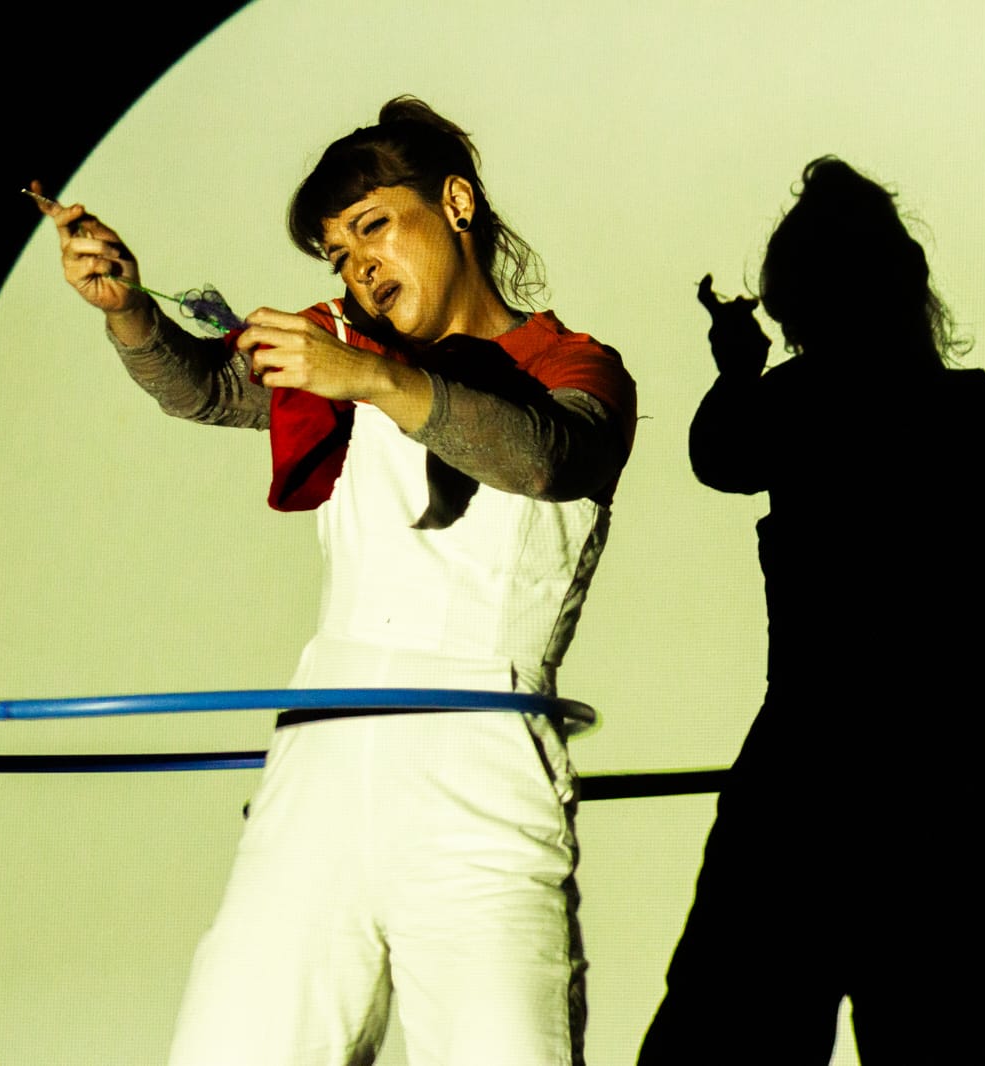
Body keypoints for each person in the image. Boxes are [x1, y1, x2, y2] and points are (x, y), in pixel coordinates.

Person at [32, 96, 636, 1066]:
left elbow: (544, 460)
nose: (359, 267)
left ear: (456, 203)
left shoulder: (571, 365)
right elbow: (205, 387)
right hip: (319, 764)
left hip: (479, 781)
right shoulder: (347, 352)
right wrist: (130, 310)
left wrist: (366, 378)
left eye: (374, 226)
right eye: (337, 254)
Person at [637, 157, 985, 1064]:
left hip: (795, 807)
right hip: (942, 810)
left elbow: (718, 453)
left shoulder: (796, 408)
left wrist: (739, 370)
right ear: (911, 285)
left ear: (797, 311)